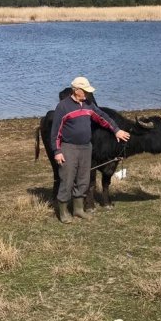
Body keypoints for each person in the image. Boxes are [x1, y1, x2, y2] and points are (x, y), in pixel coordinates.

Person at [50, 76, 130, 223]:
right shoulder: (63, 107)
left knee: (83, 179)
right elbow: (56, 132)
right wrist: (57, 151)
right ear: (76, 90)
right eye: (85, 91)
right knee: (67, 179)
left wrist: (116, 130)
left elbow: (102, 117)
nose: (87, 93)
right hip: (69, 147)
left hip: (86, 147)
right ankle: (62, 212)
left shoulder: (88, 105)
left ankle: (79, 209)